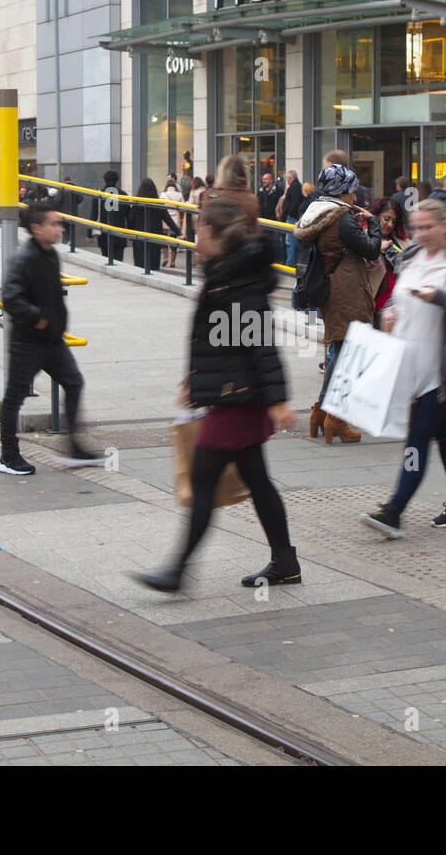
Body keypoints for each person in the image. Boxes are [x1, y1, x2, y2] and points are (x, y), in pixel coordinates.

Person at [133, 197, 299, 593]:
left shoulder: (236, 281)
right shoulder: (226, 274)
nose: (193, 241)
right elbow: (218, 340)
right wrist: (194, 379)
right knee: (256, 479)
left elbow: (260, 345)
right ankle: (285, 560)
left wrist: (277, 400)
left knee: (204, 478)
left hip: (239, 399)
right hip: (234, 394)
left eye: (198, 233)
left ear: (213, 234)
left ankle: (176, 570)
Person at [361, 198, 446, 537]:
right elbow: (396, 299)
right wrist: (390, 313)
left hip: (440, 369)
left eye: (428, 226)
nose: (420, 233)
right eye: (415, 227)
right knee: (445, 437)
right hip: (408, 365)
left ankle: (394, 509)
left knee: (417, 439)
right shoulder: (411, 257)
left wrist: (440, 298)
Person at [0, 201, 103, 474]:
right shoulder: (24, 258)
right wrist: (39, 318)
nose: (60, 228)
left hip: (52, 340)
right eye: (54, 224)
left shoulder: (50, 254)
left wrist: (54, 323)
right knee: (14, 397)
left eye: (60, 223)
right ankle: (8, 456)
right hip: (27, 342)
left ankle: (74, 447)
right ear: (36, 228)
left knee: (74, 382)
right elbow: (9, 298)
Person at [293, 163, 380, 444]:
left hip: (331, 290)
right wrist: (375, 224)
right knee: (348, 356)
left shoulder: (316, 211)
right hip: (348, 291)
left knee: (341, 351)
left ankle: (321, 413)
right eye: (352, 191)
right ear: (343, 191)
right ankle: (336, 418)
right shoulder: (342, 217)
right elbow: (371, 249)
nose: (355, 197)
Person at [371, 195, 411, 327]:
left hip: (395, 308)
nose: (389, 225)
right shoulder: (362, 239)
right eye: (386, 219)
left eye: (394, 221)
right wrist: (375, 249)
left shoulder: (400, 241)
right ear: (376, 216)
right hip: (372, 307)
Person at [92, 169, 131, 263]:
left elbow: (94, 214)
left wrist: (89, 233)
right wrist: (130, 231)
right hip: (119, 232)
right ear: (117, 180)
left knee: (105, 258)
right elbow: (128, 215)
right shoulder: (123, 195)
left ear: (104, 180)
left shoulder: (98, 194)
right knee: (119, 260)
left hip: (104, 233)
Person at [278, 169, 304, 266]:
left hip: (292, 218)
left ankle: (290, 264)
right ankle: (294, 262)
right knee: (294, 243)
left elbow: (295, 203)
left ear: (289, 178)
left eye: (287, 178)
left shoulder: (294, 187)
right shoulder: (297, 186)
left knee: (290, 243)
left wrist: (289, 213)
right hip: (293, 217)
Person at [159, 175, 186, 268]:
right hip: (175, 219)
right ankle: (173, 261)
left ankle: (165, 257)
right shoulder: (179, 194)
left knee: (164, 239)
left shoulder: (163, 194)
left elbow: (160, 206)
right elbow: (183, 207)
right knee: (174, 240)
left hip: (165, 220)